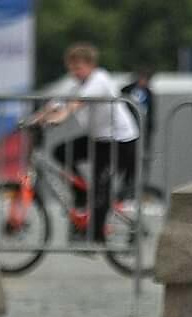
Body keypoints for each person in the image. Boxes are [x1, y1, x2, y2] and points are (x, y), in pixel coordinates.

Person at [35, 44, 140, 242]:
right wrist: (34, 120)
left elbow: (76, 103)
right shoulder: (77, 83)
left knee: (101, 190)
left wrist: (61, 116)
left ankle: (95, 235)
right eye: (71, 68)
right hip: (98, 140)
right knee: (61, 152)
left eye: (78, 68)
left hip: (120, 142)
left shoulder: (100, 80)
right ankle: (81, 193)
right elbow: (56, 103)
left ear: (91, 65)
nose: (74, 73)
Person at [122, 66, 156, 168]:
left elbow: (151, 110)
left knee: (141, 155)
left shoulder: (148, 93)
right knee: (128, 155)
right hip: (128, 126)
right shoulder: (127, 90)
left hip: (143, 129)